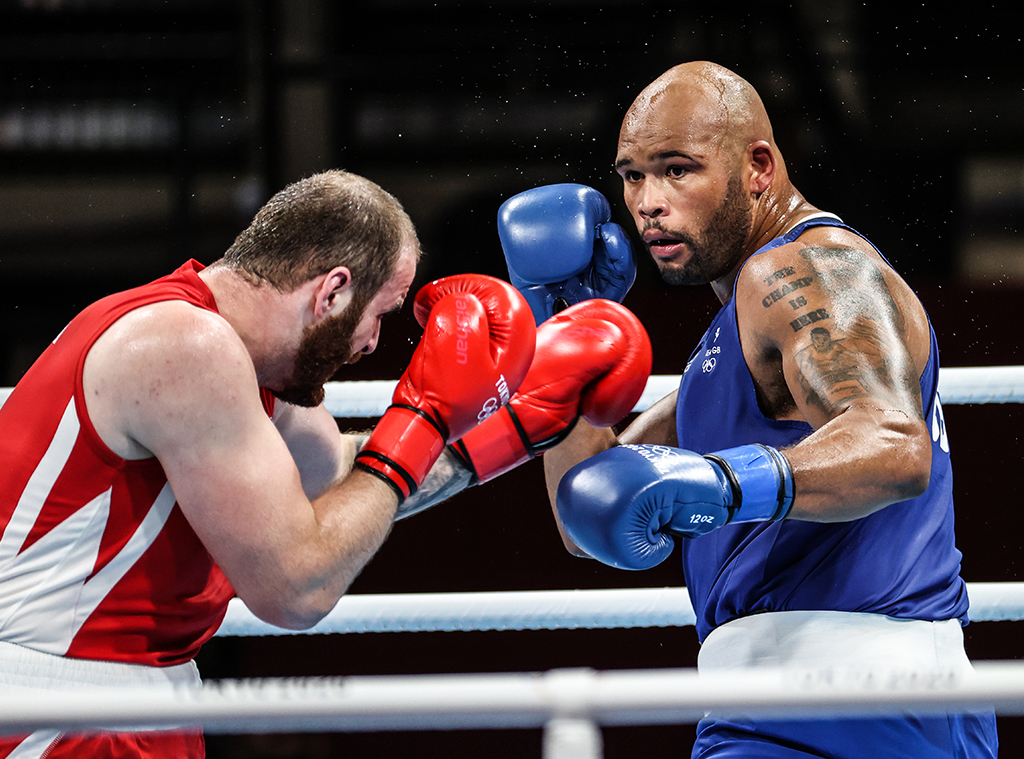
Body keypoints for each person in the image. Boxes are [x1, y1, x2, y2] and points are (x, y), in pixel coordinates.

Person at [0, 168, 652, 759]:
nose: (372, 343)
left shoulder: (248, 367)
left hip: (136, 689)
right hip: (55, 700)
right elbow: (296, 587)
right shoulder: (184, 344)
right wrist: (423, 419)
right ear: (333, 291)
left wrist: (508, 430)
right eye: (380, 314)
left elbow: (341, 481)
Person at [505, 62, 998, 757]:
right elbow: (587, 515)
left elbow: (894, 446)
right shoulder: (735, 336)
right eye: (633, 176)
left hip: (858, 695)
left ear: (758, 167)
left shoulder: (804, 270)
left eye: (677, 170)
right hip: (769, 702)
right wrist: (567, 331)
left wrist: (725, 484)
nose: (648, 203)